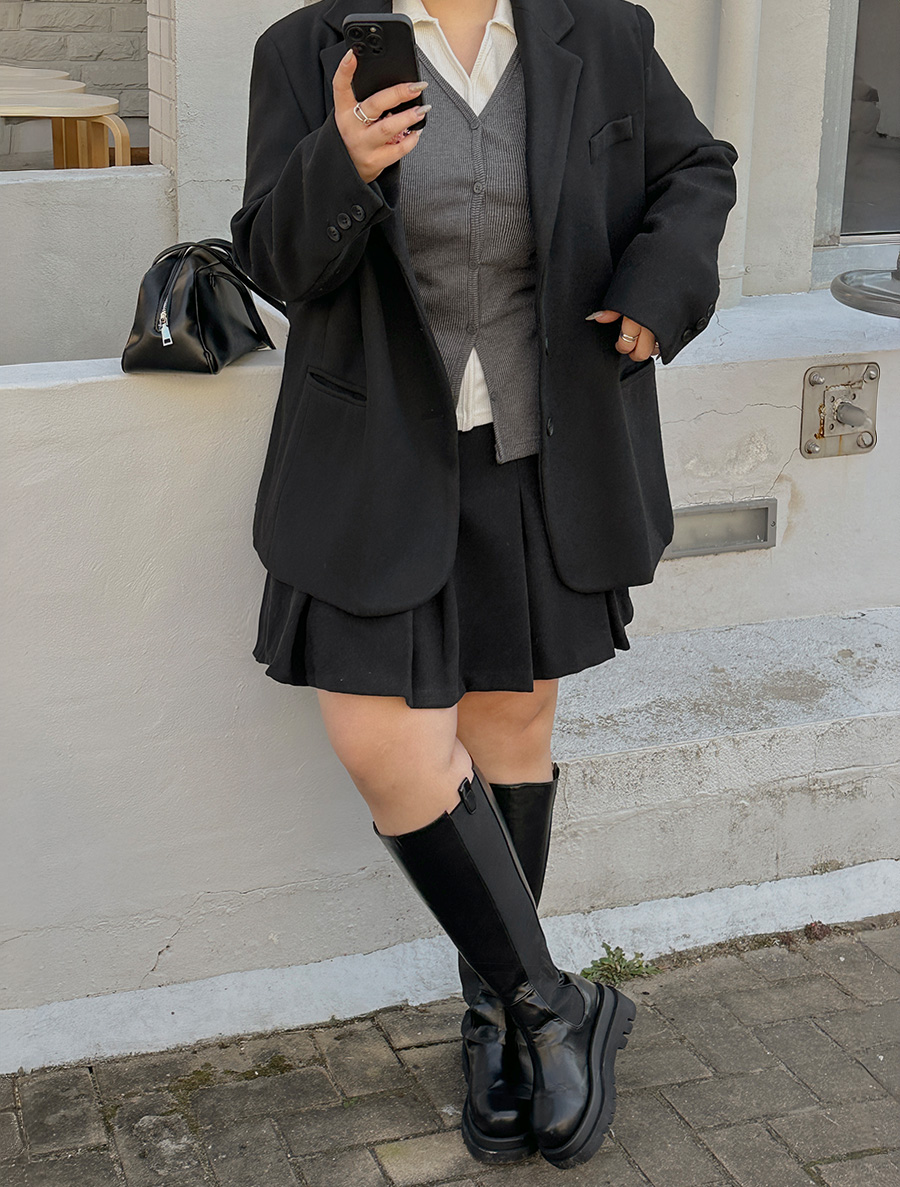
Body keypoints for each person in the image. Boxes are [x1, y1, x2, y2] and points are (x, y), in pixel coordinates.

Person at [231, 0, 738, 1169]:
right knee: (384, 742)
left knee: (511, 719)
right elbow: (274, 260)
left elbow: (695, 170)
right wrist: (341, 160)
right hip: (369, 464)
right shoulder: (305, 50)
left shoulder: (600, 34)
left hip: (542, 450)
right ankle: (555, 1002)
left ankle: (497, 1018)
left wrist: (661, 284)